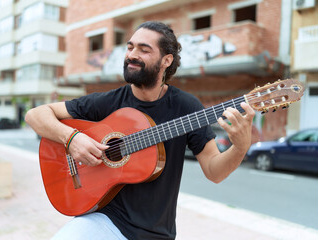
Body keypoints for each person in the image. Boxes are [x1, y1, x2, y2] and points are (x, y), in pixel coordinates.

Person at [25, 21, 255, 240]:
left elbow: (214, 172)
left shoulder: (186, 107)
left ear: (166, 60)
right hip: (104, 218)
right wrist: (72, 138)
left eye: (144, 49)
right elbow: (35, 115)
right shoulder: (107, 102)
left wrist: (240, 148)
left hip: (155, 232)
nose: (132, 54)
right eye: (130, 47)